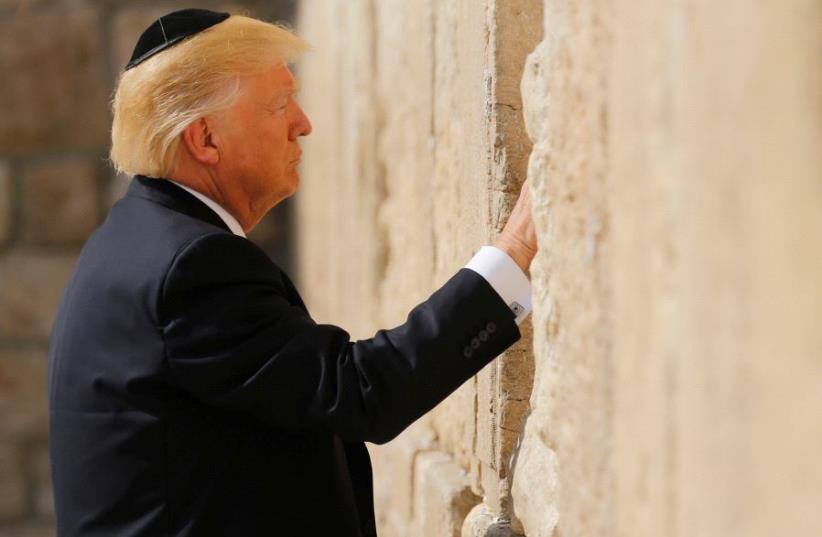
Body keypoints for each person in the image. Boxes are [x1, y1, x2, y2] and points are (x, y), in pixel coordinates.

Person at [47, 9, 538, 537]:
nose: (302, 123)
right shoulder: (189, 270)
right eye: (280, 104)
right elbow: (358, 391)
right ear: (205, 139)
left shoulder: (134, 241)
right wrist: (515, 249)